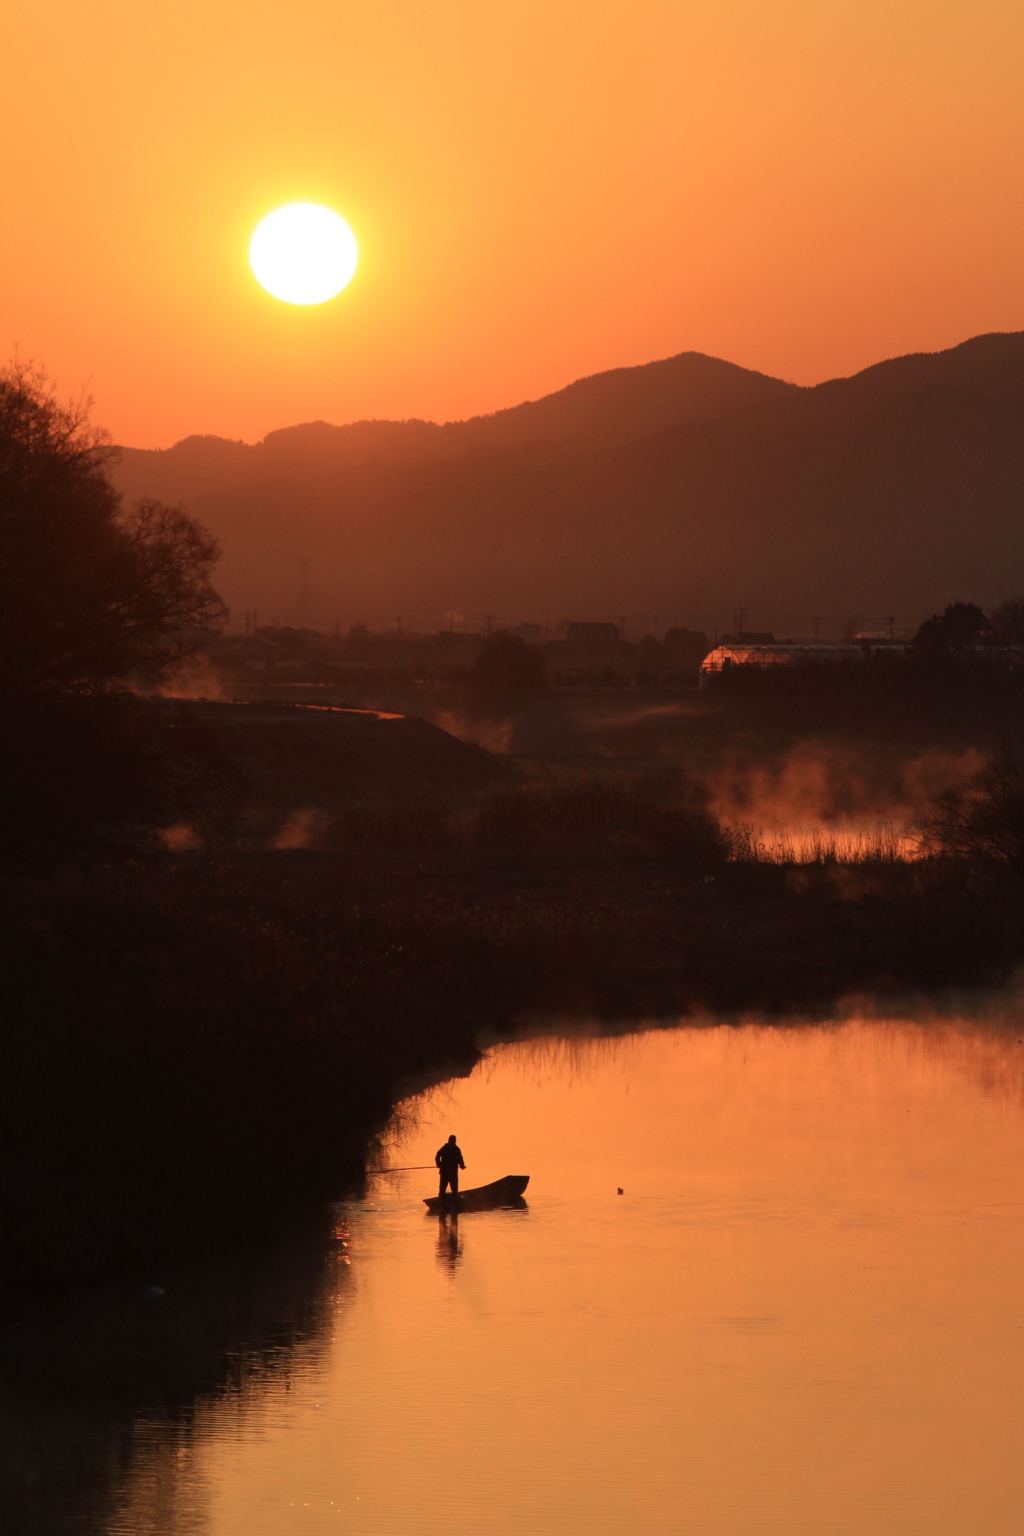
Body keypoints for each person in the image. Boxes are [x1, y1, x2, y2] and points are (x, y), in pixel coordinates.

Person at [435, 1134, 466, 1206]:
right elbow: (460, 1159)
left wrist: (438, 1164)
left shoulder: (445, 1148)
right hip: (452, 1173)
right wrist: (462, 1166)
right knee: (454, 1189)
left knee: (442, 1188)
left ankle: (441, 1201)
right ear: (455, 1141)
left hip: (444, 1171)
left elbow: (437, 1155)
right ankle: (455, 1203)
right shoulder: (456, 1149)